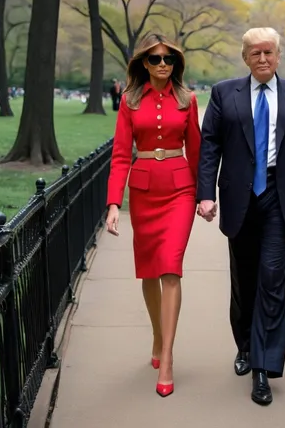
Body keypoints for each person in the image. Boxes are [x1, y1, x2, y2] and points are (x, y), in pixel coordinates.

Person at [197, 27, 285, 406]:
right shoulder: (224, 93)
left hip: (278, 197)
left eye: (269, 52)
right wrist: (205, 194)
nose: (263, 58)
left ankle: (263, 369)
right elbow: (210, 146)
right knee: (244, 280)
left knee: (271, 276)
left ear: (279, 56)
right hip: (239, 198)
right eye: (255, 53)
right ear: (245, 58)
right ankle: (245, 345)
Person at [105, 33, 201, 398]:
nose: (163, 65)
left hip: (179, 190)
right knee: (148, 270)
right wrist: (114, 203)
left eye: (169, 60)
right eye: (155, 59)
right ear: (143, 63)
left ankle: (168, 354)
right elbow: (118, 156)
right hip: (143, 192)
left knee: (170, 268)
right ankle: (158, 336)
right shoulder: (129, 101)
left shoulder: (187, 99)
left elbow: (197, 150)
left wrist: (205, 196)